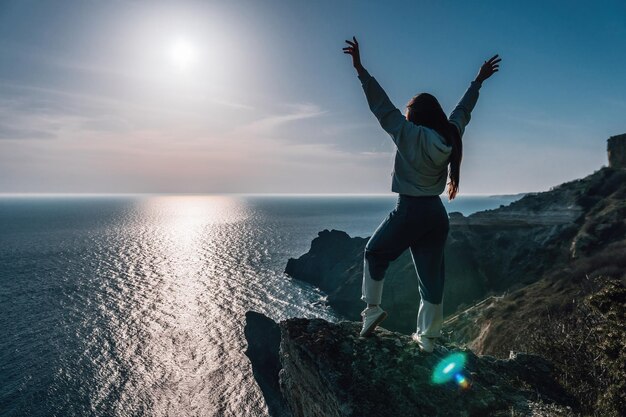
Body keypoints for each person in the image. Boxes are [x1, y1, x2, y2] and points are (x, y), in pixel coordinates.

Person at [342, 36, 500, 352]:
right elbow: (463, 110)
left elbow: (381, 106)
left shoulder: (408, 134)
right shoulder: (451, 134)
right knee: (431, 279)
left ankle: (371, 311)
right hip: (436, 215)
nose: (405, 115)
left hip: (410, 211)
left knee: (375, 253)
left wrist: (360, 70)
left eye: (408, 111)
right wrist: (478, 81)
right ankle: (427, 338)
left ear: (414, 116)